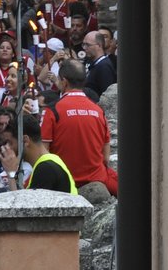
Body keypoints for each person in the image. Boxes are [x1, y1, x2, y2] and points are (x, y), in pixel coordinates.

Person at [38, 60, 116, 195]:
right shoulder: (98, 111)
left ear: (64, 82)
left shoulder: (53, 110)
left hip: (63, 183)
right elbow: (106, 157)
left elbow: (44, 155)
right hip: (97, 180)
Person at [82, 32, 116, 101]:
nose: (84, 48)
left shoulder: (104, 66)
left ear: (99, 45)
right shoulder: (96, 64)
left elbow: (107, 96)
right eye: (83, 44)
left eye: (87, 45)